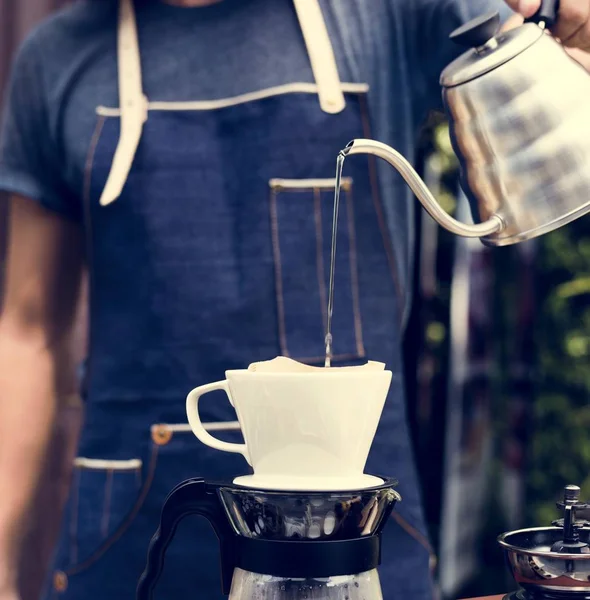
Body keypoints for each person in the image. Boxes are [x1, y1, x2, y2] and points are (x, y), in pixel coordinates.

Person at [0, 0, 589, 599]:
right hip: (130, 534)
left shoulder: (383, 12)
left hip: (356, 532)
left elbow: (545, 43)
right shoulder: (56, 59)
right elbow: (27, 332)